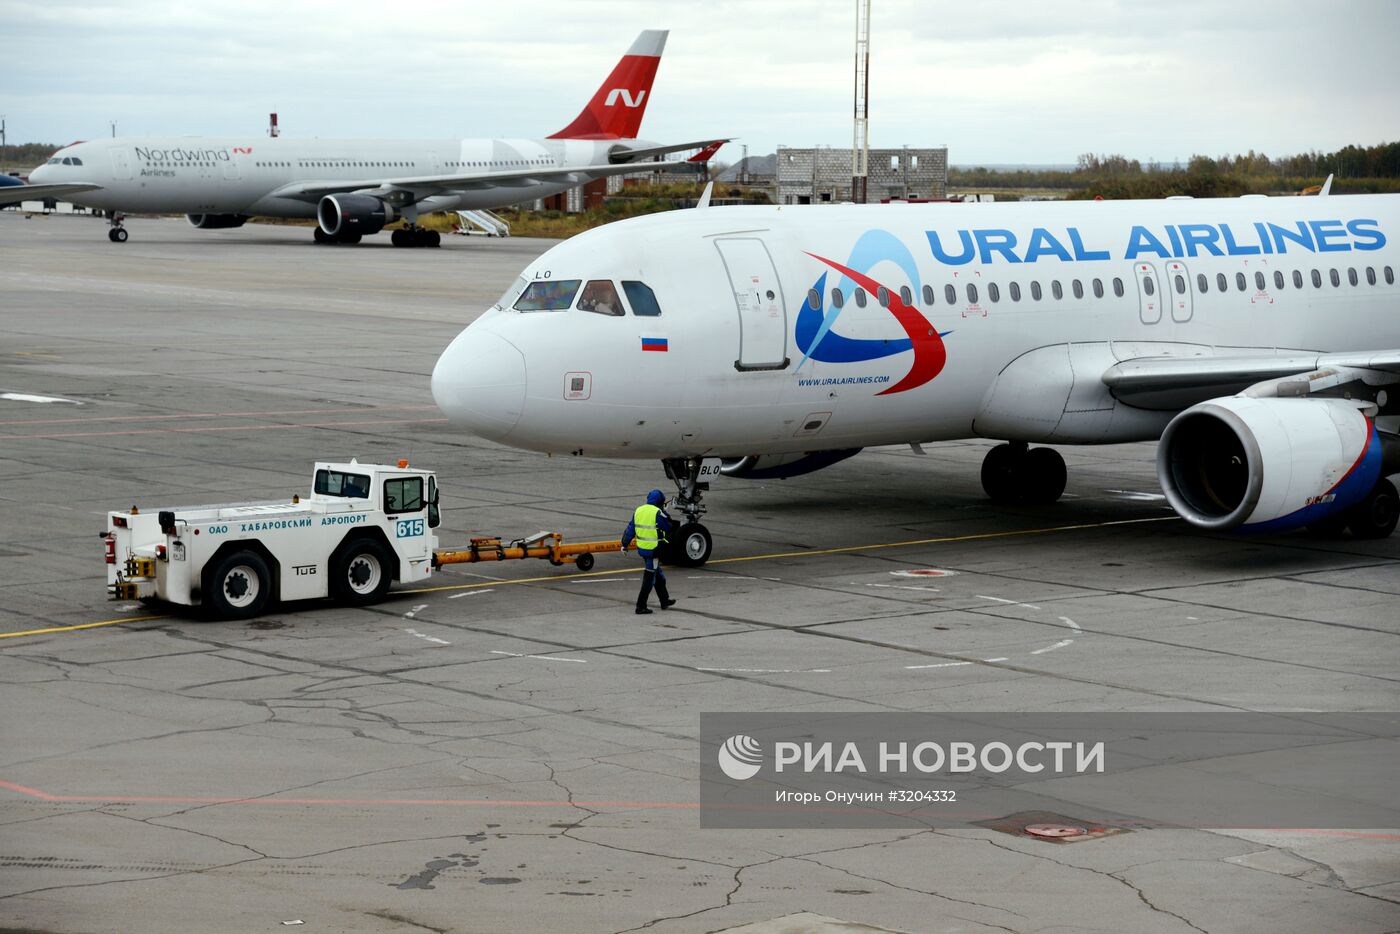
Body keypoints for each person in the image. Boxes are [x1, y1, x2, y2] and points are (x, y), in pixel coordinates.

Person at [620, 489, 677, 614]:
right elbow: (668, 526)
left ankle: (664, 600)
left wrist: (624, 544)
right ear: (660, 501)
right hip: (654, 550)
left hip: (643, 549)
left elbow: (630, 529)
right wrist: (664, 512)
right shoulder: (657, 512)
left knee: (659, 576)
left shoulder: (639, 510)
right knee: (650, 579)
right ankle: (640, 606)